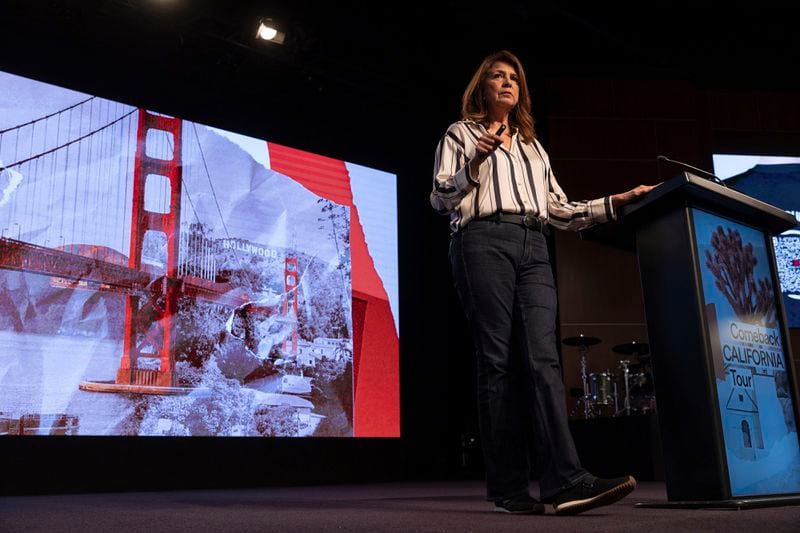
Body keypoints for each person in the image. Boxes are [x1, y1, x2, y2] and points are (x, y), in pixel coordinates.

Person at [430, 50, 656, 515]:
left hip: (534, 247)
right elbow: (439, 198)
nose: (507, 82)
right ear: (483, 87)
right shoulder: (460, 134)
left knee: (544, 362)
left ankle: (565, 481)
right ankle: (510, 488)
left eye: (514, 77)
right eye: (497, 75)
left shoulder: (534, 149)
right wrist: (474, 163)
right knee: (497, 364)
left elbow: (562, 211)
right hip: (481, 241)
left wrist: (617, 201)